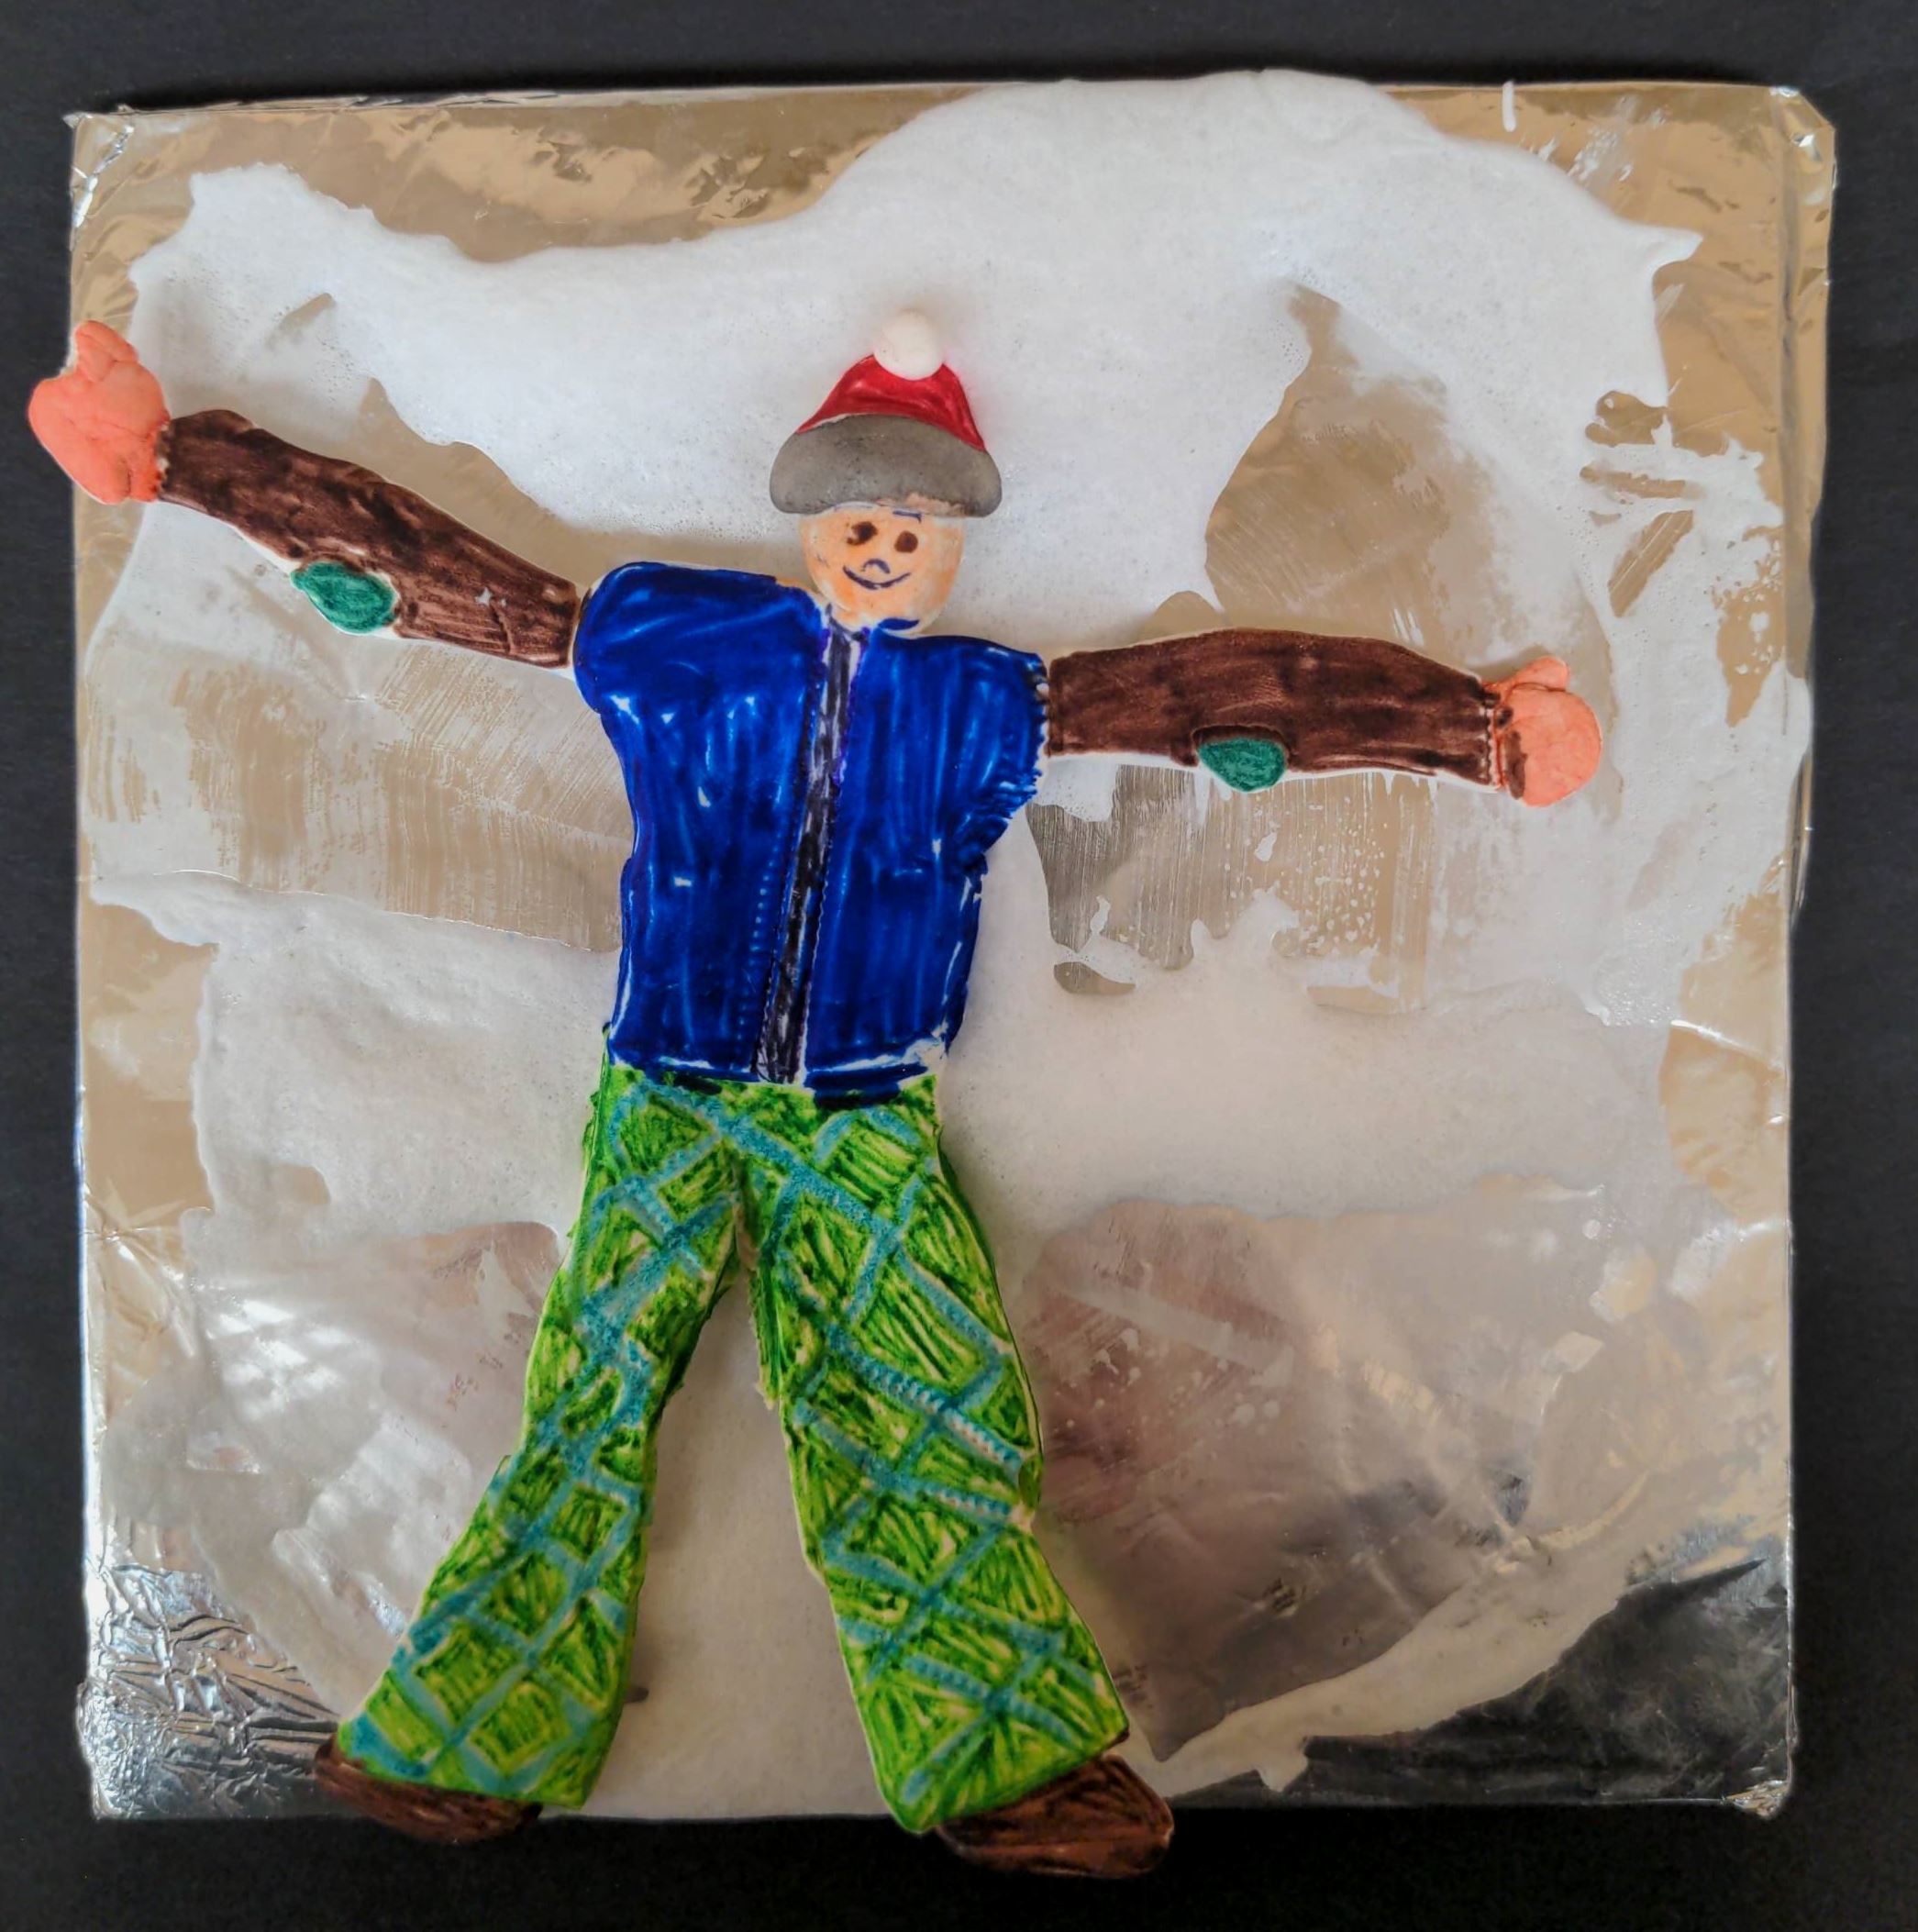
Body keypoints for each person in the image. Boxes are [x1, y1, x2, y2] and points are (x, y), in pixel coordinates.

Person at [31, 310, 1599, 1875]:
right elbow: (463, 584)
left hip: (862, 1114)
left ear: (954, 547)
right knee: (589, 1398)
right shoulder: (681, 636)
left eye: (917, 520)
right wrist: (177, 460)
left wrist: (1473, 730)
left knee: (924, 1403)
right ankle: (461, 1735)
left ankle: (1009, 1763)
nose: (883, 541)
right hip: (669, 1091)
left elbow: (1210, 695)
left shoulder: (980, 703)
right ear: (807, 521)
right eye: (859, 511)